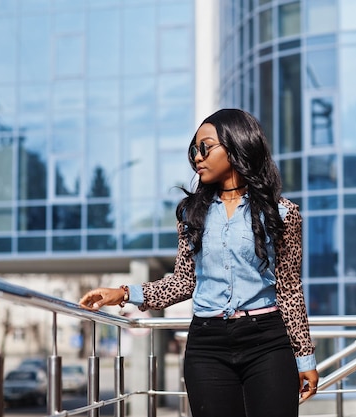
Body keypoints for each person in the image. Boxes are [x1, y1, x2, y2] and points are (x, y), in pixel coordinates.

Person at [79, 108, 319, 417]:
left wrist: (305, 358)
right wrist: (124, 293)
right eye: (193, 150)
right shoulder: (192, 214)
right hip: (208, 346)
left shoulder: (282, 213)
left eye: (204, 147)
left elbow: (289, 291)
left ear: (236, 146)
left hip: (268, 343)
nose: (197, 157)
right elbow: (183, 281)